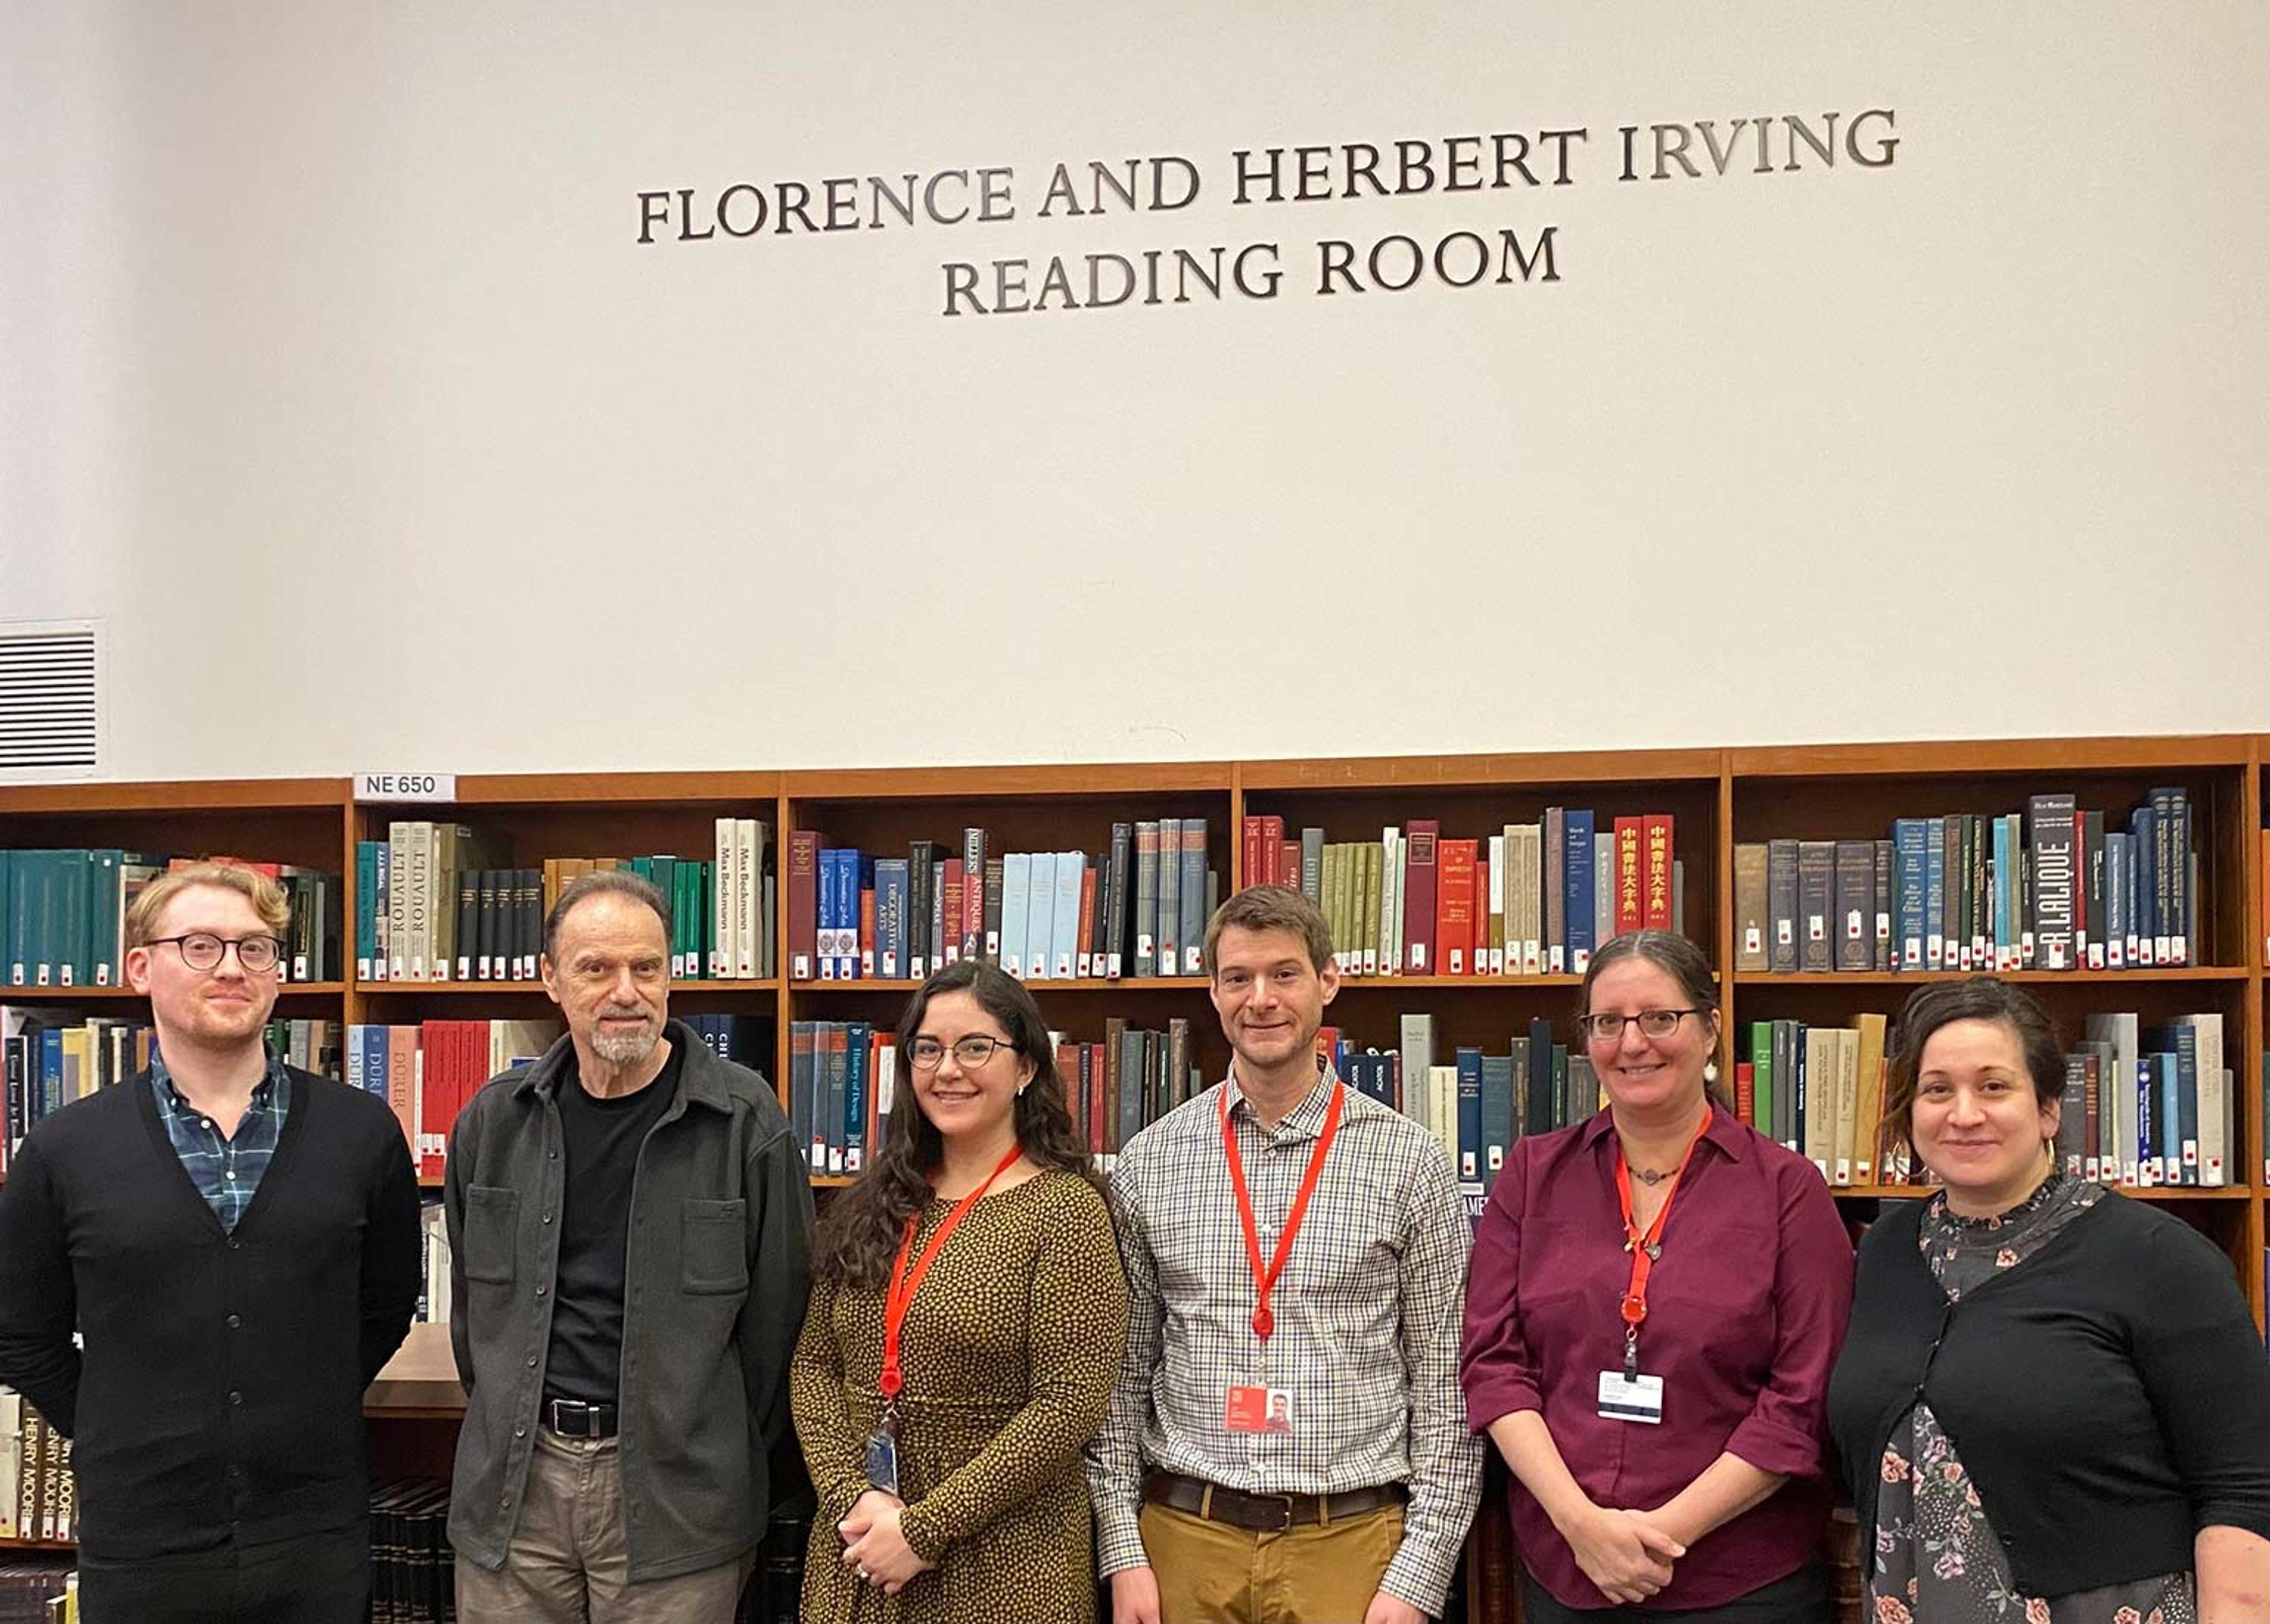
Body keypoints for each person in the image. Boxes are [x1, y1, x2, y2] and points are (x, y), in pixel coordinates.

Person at [0, 862, 421, 1622]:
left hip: (315, 1540)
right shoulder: (64, 1148)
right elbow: (22, 1333)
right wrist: (115, 1422)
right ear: (141, 967)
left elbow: (387, 1301)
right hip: (141, 1546)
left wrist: (305, 1398)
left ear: (278, 975)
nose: (232, 967)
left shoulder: (361, 1133)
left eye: (255, 948)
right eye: (200, 946)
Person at [1091, 885, 1482, 1624]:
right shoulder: (1150, 1162)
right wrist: (1124, 1550)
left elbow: (1447, 1391)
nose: (1261, 999)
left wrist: (1419, 1575)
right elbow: (1120, 1379)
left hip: (1353, 1546)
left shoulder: (1409, 1161)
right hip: (1185, 1540)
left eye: (1285, 974)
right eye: (1238, 978)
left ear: (1328, 982)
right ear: (1213, 991)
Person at [1827, 976, 2270, 1624]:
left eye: (1994, 1086)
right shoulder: (1887, 1250)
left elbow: (2243, 1489)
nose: (1965, 1113)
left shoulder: (2158, 1260)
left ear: (2049, 1108)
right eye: (1937, 1089)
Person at [446, 870, 813, 1621]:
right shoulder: (493, 1123)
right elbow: (475, 1319)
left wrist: (706, 1442)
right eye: (596, 968)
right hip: (515, 1491)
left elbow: (782, 1326)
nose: (626, 991)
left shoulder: (744, 1121)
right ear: (551, 980)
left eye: (646, 967)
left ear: (671, 975)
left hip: (679, 1499)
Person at [1461, 928, 1853, 1622]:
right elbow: (1494, 1364)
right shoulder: (1531, 1175)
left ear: (1710, 1030)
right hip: (1567, 1569)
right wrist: (1582, 1525)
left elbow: (1801, 1400)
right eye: (1608, 1022)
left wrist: (1660, 1537)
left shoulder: (1788, 1190)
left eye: (1660, 1018)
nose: (1633, 1043)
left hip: (1740, 1579)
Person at [790, 957, 1126, 1622]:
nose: (949, 1070)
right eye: (929, 1050)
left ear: (1026, 1067)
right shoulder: (870, 1203)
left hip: (1005, 1559)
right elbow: (813, 1367)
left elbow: (1069, 1408)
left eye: (976, 1048)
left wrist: (923, 1529)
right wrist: (851, 1499)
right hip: (862, 1544)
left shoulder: (1066, 1211)